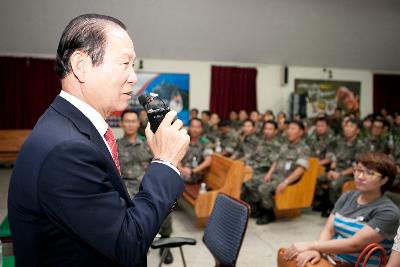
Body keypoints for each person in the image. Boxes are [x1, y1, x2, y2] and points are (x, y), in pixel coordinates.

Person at [7, 14, 189, 267]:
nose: (133, 77)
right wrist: (166, 162)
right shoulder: (66, 150)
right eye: (125, 63)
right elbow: (128, 244)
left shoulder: (68, 126)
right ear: (81, 65)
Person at [282, 152, 400, 267]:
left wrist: (311, 246)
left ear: (384, 180)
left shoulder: (388, 212)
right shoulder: (347, 196)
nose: (360, 176)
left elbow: (355, 244)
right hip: (332, 259)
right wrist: (317, 251)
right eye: (358, 170)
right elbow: (329, 230)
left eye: (370, 173)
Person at [116, 109, 174, 264]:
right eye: (126, 121)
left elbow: (159, 164)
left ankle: (165, 243)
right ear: (121, 124)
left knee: (166, 205)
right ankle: (141, 241)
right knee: (129, 207)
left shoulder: (148, 143)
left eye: (133, 121)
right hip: (127, 186)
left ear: (138, 123)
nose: (130, 124)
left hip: (148, 184)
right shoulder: (115, 146)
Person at [256, 121, 310, 224]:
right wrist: (269, 173)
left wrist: (286, 182)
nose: (289, 131)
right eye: (289, 128)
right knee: (255, 181)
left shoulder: (303, 148)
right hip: (277, 175)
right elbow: (276, 161)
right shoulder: (285, 145)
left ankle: (269, 213)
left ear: (300, 132)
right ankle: (261, 207)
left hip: (287, 179)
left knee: (263, 188)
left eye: (293, 129)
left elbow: (300, 169)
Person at [316, 118, 366, 217]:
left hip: (351, 174)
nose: (347, 129)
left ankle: (335, 209)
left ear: (357, 130)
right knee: (318, 179)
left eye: (351, 126)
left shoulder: (361, 145)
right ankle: (324, 203)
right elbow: (335, 158)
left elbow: (357, 166)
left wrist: (340, 174)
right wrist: (332, 170)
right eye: (346, 126)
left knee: (334, 185)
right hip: (337, 171)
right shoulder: (340, 142)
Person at [241, 120, 281, 217]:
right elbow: (253, 154)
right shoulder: (261, 141)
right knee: (242, 179)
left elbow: (276, 161)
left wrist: (269, 174)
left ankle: (265, 210)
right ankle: (253, 207)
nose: (267, 131)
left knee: (249, 181)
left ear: (275, 131)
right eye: (266, 129)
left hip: (265, 170)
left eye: (270, 129)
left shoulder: (277, 145)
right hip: (255, 168)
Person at [178, 118, 213, 184]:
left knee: (172, 178)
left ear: (201, 129)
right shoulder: (185, 139)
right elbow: (178, 155)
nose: (195, 129)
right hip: (181, 170)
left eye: (198, 127)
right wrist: (180, 168)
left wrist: (192, 171)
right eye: (193, 126)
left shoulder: (205, 143)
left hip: (194, 174)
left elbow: (208, 161)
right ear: (189, 127)